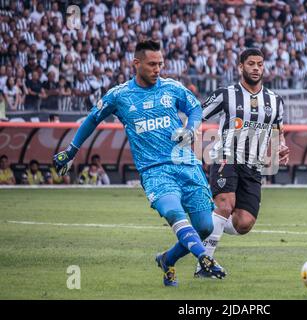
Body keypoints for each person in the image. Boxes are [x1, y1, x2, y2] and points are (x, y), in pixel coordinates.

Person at [53, 40, 226, 287]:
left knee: (205, 227)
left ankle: (167, 259)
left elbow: (195, 107)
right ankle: (204, 257)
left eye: (160, 64)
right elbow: (92, 119)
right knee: (174, 212)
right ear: (137, 63)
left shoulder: (171, 88)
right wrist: (70, 151)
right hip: (155, 171)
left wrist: (191, 128)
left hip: (187, 165)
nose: (157, 69)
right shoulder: (120, 95)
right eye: (152, 64)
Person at [198, 48, 290, 277]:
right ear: (241, 67)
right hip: (225, 157)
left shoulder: (275, 101)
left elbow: (278, 128)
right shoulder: (225, 94)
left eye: (260, 64)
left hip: (253, 165)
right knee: (226, 205)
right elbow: (197, 115)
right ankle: (204, 263)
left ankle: (206, 224)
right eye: (251, 64)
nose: (256, 68)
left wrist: (280, 147)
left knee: (243, 223)